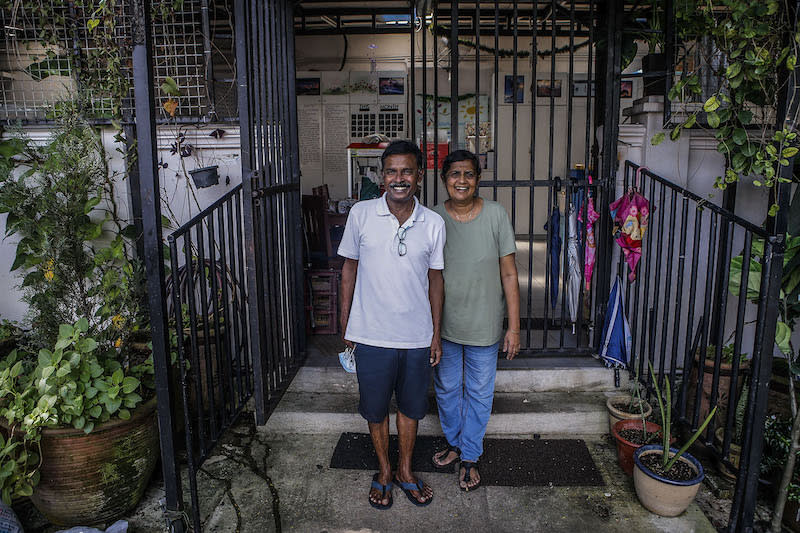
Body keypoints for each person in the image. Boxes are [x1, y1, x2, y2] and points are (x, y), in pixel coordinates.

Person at [338, 140, 445, 510]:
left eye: (407, 171)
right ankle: (383, 471)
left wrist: (434, 333)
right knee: (375, 409)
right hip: (370, 333)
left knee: (413, 409)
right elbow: (348, 269)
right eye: (392, 171)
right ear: (382, 176)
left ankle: (405, 470)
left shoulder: (433, 223)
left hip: (416, 336)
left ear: (419, 175)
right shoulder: (361, 214)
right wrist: (346, 324)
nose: (399, 178)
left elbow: (436, 280)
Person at [430, 149, 521, 491]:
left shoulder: (496, 215)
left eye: (468, 174)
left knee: (480, 393)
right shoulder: (434, 218)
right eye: (455, 174)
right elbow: (427, 275)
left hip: (485, 324)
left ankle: (470, 454)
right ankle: (455, 444)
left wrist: (514, 327)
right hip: (446, 326)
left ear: (478, 180)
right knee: (447, 388)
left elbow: (510, 274)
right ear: (444, 180)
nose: (462, 181)